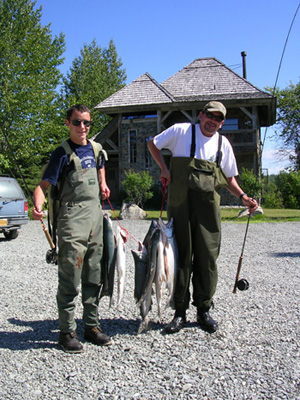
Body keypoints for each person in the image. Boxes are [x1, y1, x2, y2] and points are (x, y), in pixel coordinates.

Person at [148, 101, 258, 334]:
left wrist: (244, 197)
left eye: (218, 119)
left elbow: (229, 179)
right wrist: (164, 169)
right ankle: (179, 312)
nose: (213, 121)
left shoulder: (223, 144)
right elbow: (152, 144)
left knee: (207, 259)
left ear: (222, 123)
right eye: (209, 116)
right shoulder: (180, 131)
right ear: (201, 115)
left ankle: (203, 310)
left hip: (209, 211)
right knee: (180, 258)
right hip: (180, 207)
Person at [33, 104, 112, 353]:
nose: (82, 127)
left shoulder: (97, 149)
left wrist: (103, 183)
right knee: (70, 279)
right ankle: (66, 332)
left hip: (96, 220)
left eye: (86, 123)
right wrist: (38, 206)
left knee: (94, 275)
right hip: (71, 221)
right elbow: (42, 186)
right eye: (77, 122)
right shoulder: (62, 153)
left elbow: (100, 165)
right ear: (67, 123)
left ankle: (92, 327)